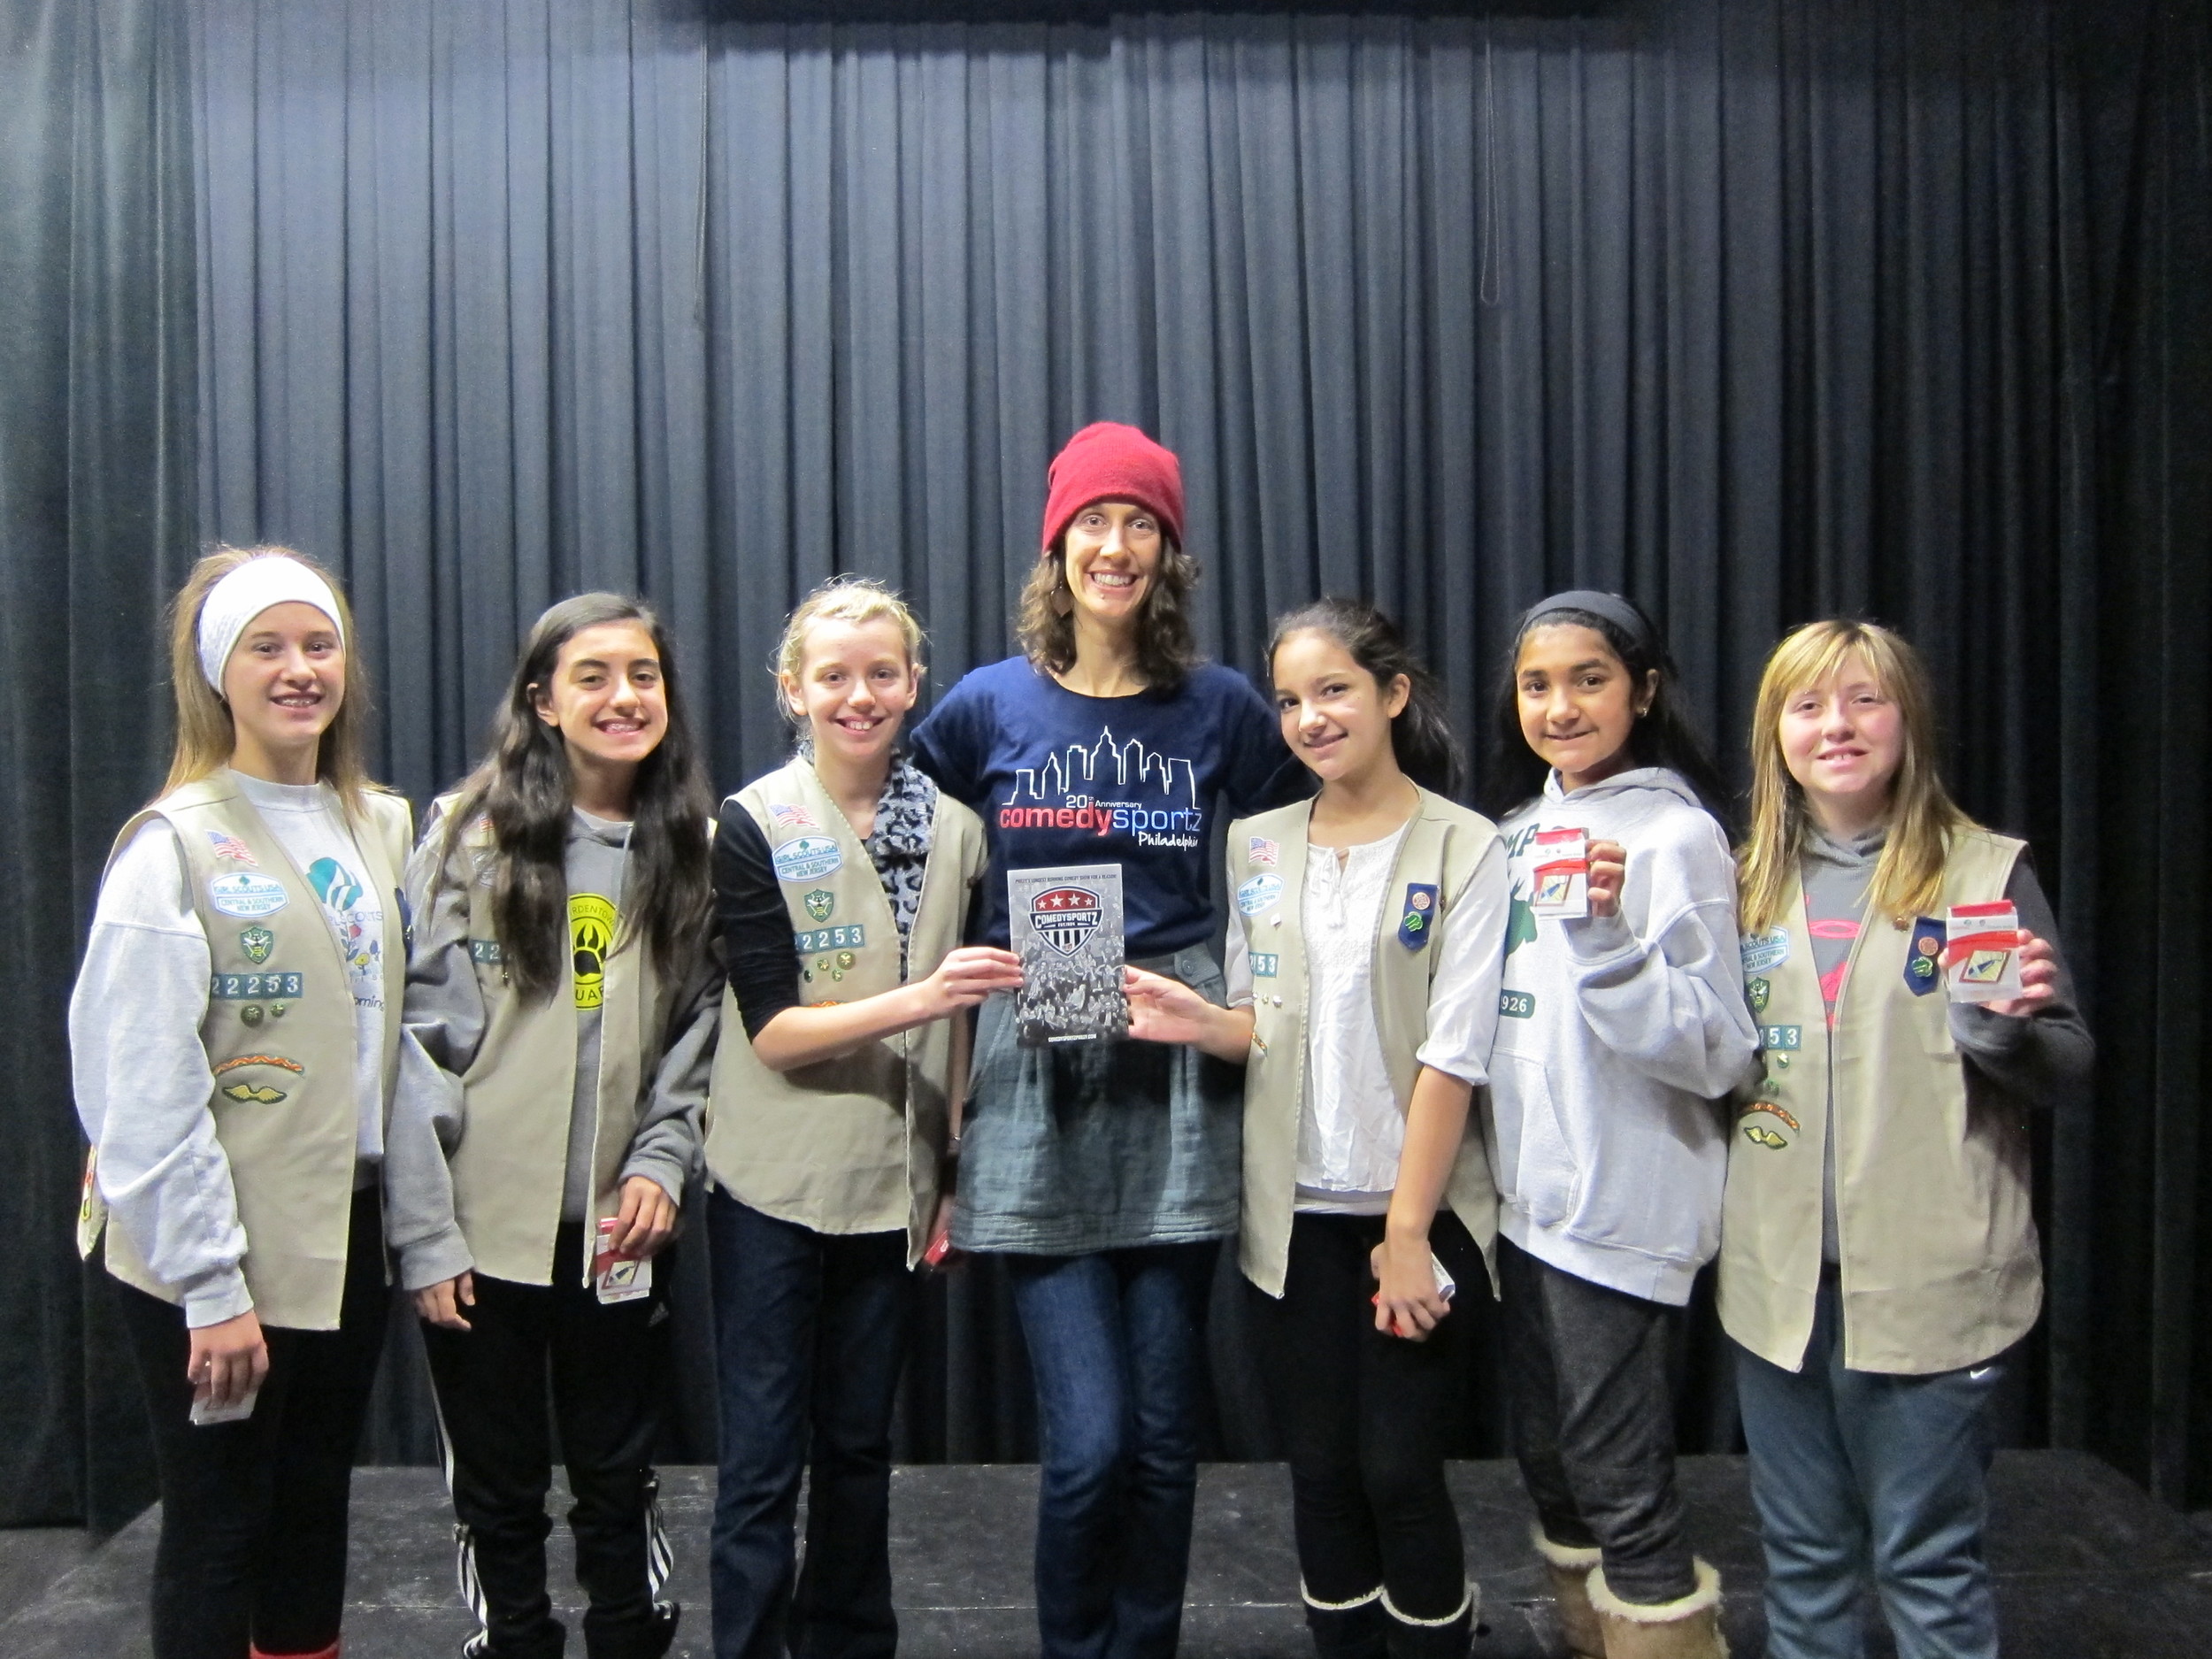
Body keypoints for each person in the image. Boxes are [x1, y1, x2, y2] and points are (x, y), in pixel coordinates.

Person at [908, 420, 1304, 1658]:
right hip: (1040, 1048)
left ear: (1169, 552)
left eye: (1140, 523)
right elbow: (910, 855)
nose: (1115, 545)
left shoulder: (1222, 707)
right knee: (1089, 1447)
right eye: (1094, 521)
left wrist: (1248, 1002)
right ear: (1058, 545)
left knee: (1165, 1440)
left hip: (1177, 1045)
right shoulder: (988, 705)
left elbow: (1303, 850)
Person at [1125, 599, 1509, 1658]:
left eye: (1333, 690)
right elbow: (1268, 1023)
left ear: (1391, 694)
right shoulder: (1255, 842)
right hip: (1290, 1219)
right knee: (1323, 1474)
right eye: (1290, 699)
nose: (1309, 718)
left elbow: (1454, 1054)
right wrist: (1203, 1022)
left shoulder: (1465, 844)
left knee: (1397, 1471)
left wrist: (1405, 1234)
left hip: (1415, 1221)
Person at [1720, 620, 2092, 1659]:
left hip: (1935, 1288)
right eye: (1807, 705)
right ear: (1776, 734)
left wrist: (2003, 1037)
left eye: (1863, 700)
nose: (1835, 725)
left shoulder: (1985, 874)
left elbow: (2069, 1067)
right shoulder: (1739, 882)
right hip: (1777, 1294)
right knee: (1801, 1567)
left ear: (1907, 720)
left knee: (1928, 1568)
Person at [71, 547, 411, 1659]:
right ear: (220, 672)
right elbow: (140, 1090)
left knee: (311, 1509)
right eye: (266, 647)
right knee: (220, 1526)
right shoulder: (171, 847)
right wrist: (210, 1285)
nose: (298, 669)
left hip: (342, 1229)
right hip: (211, 1250)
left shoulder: (379, 829)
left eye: (318, 645)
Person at [384, 593, 718, 1659]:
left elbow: (702, 1032)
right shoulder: (468, 838)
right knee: (498, 1480)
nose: (624, 697)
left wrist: (662, 1164)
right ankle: (516, 1639)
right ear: (542, 699)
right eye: (593, 676)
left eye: (643, 675)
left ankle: (629, 1631)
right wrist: (426, 1232)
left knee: (616, 1473)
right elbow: (412, 1047)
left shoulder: (693, 849)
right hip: (481, 1231)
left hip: (619, 1232)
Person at [704, 578, 1012, 1659]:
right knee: (760, 1457)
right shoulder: (747, 825)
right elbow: (772, 1030)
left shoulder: (960, 833)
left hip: (892, 1186)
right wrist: (924, 995)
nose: (859, 695)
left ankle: (846, 1640)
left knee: (855, 1446)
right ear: (793, 690)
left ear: (913, 685)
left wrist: (956, 1167)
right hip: (770, 1184)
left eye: (882, 673)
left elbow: (965, 1039)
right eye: (833, 676)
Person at [1481, 590, 1757, 1659]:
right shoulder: (1512, 835)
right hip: (1526, 1203)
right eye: (1537, 684)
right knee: (1551, 1468)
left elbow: (1720, 1048)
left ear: (1642, 691)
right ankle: (1586, 1638)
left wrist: (1606, 944)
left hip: (1625, 1200)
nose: (1559, 706)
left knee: (1617, 1480)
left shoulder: (1677, 836)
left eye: (1588, 679)